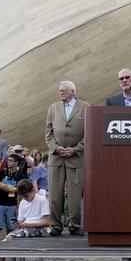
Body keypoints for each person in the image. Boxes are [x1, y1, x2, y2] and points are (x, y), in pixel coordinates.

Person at [45, 80, 90, 236]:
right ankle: (56, 225)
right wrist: (55, 148)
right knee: (54, 194)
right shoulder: (53, 108)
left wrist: (76, 149)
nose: (60, 93)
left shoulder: (85, 107)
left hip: (76, 158)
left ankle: (74, 225)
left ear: (72, 91)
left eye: (63, 90)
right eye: (59, 90)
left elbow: (89, 133)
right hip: (56, 158)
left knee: (75, 194)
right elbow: (48, 133)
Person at [0, 179, 50, 261]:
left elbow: (47, 222)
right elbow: (21, 221)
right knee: (2, 246)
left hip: (39, 229)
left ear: (33, 190)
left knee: (10, 239)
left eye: (26, 195)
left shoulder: (42, 200)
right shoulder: (23, 202)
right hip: (25, 228)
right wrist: (18, 224)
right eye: (22, 196)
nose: (25, 198)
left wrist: (26, 225)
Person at [0, 154, 27, 244]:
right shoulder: (2, 172)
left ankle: (8, 244)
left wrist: (19, 207)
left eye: (11, 160)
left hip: (12, 205)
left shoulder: (21, 176)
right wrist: (1, 187)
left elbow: (22, 193)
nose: (8, 162)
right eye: (8, 160)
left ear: (16, 163)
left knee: (11, 227)